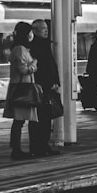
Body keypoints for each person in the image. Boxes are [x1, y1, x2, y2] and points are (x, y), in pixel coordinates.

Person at [5, 22, 39, 160]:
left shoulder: (20, 48)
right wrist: (34, 64)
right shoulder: (20, 49)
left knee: (19, 121)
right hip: (22, 88)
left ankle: (16, 148)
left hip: (20, 87)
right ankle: (16, 150)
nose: (31, 35)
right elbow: (23, 69)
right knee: (19, 121)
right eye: (30, 32)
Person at [30, 19, 61, 156]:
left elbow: (52, 66)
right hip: (40, 88)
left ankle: (43, 145)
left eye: (46, 28)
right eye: (43, 28)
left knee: (46, 118)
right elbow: (41, 69)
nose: (46, 30)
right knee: (40, 119)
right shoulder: (36, 47)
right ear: (35, 31)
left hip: (47, 87)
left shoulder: (45, 45)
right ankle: (38, 146)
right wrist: (50, 83)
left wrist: (56, 81)